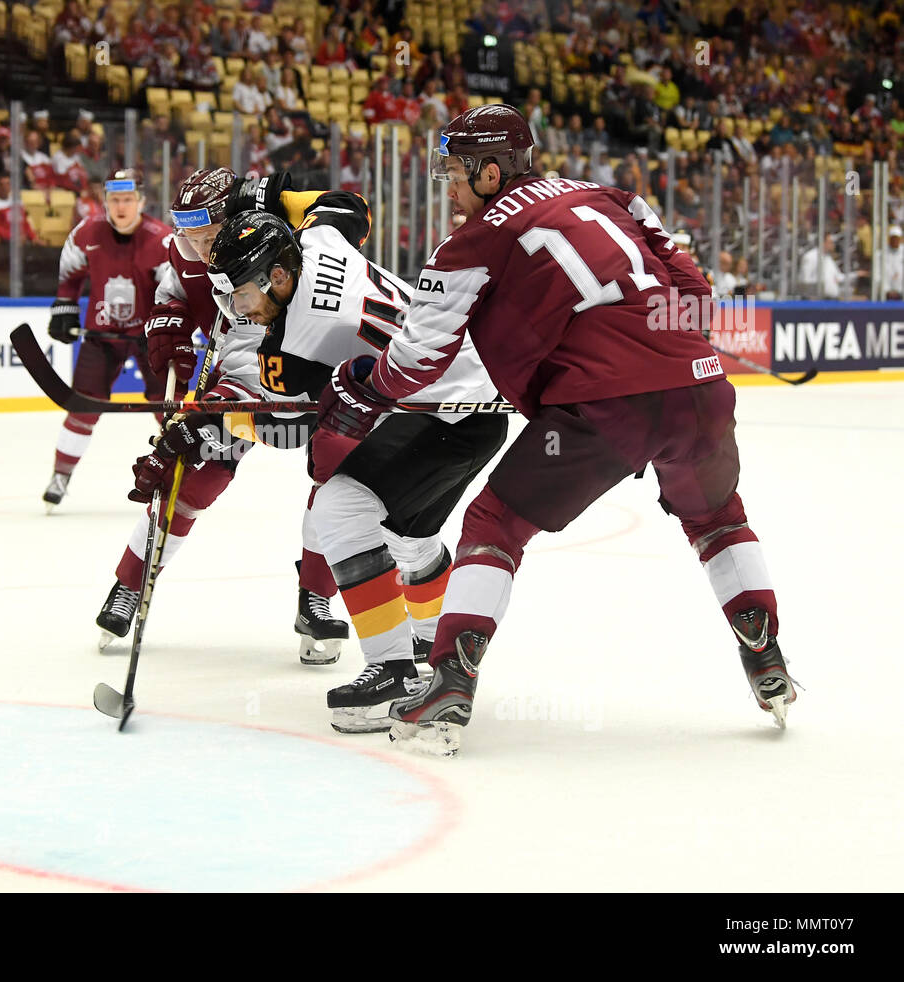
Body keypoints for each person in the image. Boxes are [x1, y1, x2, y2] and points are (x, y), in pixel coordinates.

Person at [310, 105, 796, 755]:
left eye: (454, 171)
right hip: (701, 388)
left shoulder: (471, 244)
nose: (447, 185)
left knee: (493, 525)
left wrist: (361, 389)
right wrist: (662, 360)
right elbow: (694, 292)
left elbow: (418, 361)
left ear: (489, 172)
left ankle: (449, 685)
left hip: (601, 410)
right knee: (718, 518)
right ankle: (766, 657)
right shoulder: (612, 196)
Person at [192, 211, 506, 730]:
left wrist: (214, 424)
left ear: (277, 277)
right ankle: (433, 651)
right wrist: (276, 200)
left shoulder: (294, 344)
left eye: (241, 296)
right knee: (405, 533)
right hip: (475, 398)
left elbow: (289, 431)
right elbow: (344, 206)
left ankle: (392, 669)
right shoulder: (318, 236)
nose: (236, 311)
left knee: (338, 506)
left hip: (436, 414)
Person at [97, 169, 369, 663]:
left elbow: (349, 206)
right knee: (193, 478)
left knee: (337, 480)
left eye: (206, 236)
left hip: (315, 371)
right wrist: (170, 324)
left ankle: (317, 597)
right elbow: (173, 287)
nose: (198, 248)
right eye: (188, 236)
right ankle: (130, 585)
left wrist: (206, 417)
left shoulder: (269, 238)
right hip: (256, 374)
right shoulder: (189, 249)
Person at [43, 170, 172, 512]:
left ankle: (178, 475)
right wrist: (65, 308)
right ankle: (61, 476)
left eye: (128, 199)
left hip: (150, 337)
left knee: (168, 409)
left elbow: (175, 293)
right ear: (106, 202)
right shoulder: (87, 232)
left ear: (142, 202)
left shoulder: (161, 240)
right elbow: (70, 274)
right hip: (101, 337)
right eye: (114, 199)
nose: (121, 206)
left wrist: (169, 328)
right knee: (83, 408)